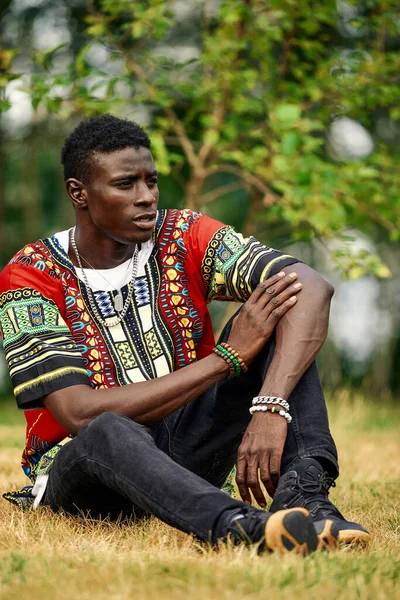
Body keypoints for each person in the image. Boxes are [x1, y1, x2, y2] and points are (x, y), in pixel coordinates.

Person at [0, 115, 370, 554]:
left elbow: (310, 287)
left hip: (185, 447)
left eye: (151, 182)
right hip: (88, 474)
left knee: (278, 316)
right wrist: (225, 359)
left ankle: (307, 500)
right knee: (106, 429)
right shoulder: (30, 276)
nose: (146, 198)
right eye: (125, 185)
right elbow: (77, 413)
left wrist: (270, 405)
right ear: (79, 193)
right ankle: (239, 526)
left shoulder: (182, 235)